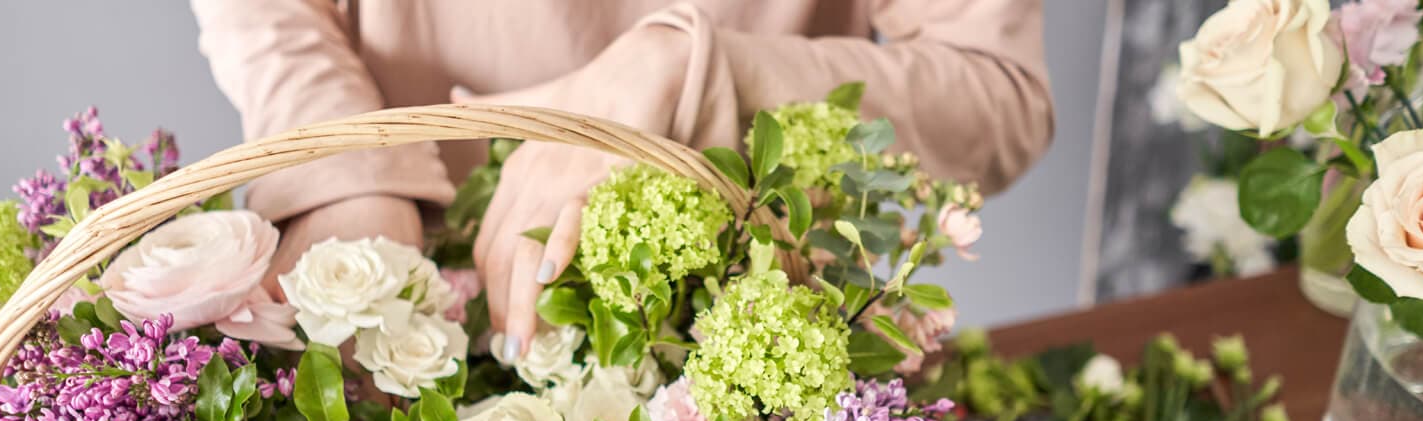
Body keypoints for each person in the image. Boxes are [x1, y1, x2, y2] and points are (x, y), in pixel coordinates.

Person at [191, 1, 1053, 358]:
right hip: (402, 286)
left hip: (735, 350)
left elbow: (997, 95)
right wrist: (350, 172)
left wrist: (683, 73)